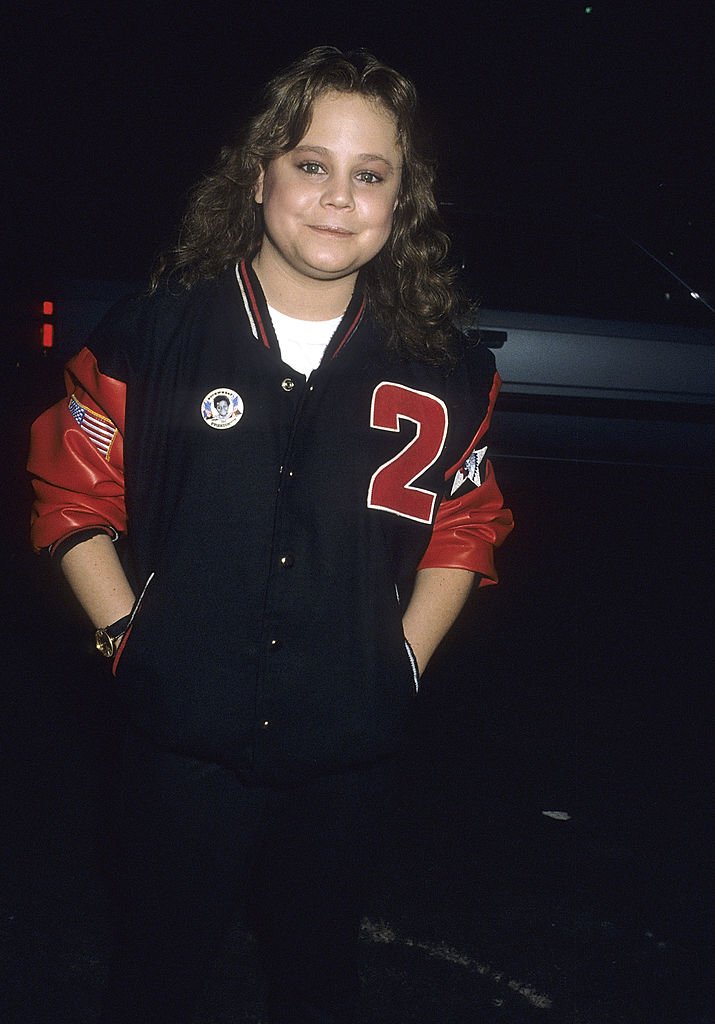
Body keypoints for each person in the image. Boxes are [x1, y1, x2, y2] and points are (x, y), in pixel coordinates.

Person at [28, 46, 514, 1024]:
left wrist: (401, 660)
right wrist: (130, 638)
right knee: (157, 974)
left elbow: (466, 524)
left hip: (348, 745)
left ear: (397, 199)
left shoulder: (446, 366)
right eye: (310, 164)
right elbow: (68, 496)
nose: (338, 196)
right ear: (257, 177)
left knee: (317, 978)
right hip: (180, 743)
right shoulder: (153, 333)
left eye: (369, 174)